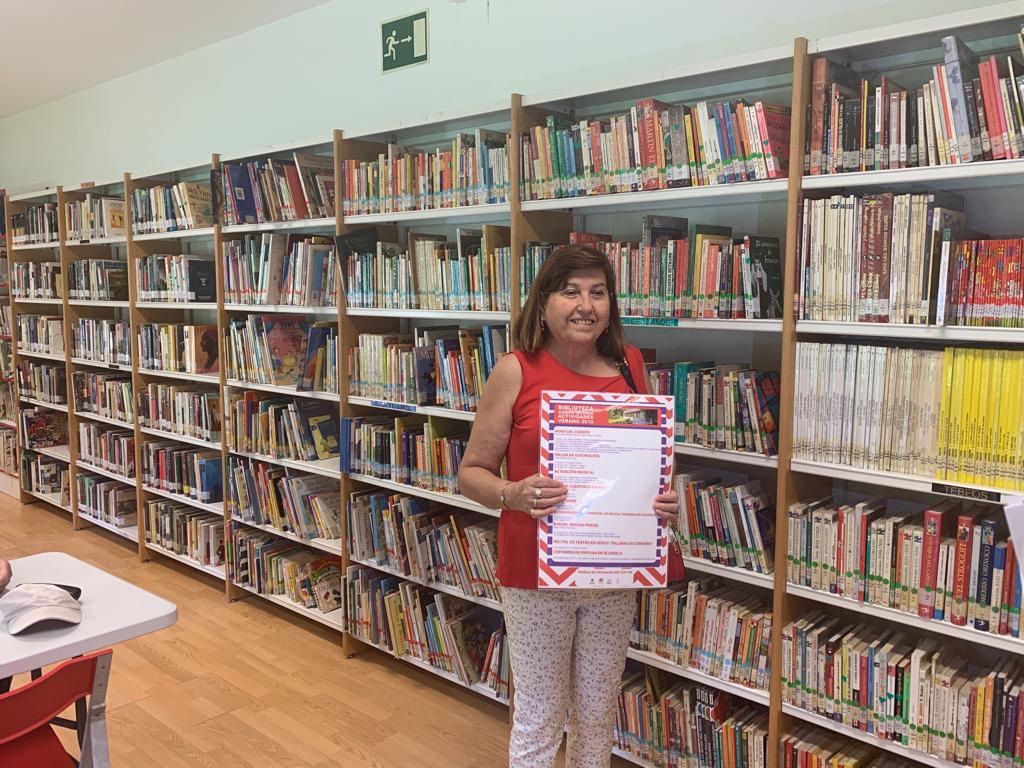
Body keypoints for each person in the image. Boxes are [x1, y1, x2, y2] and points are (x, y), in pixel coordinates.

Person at [457, 245, 678, 768]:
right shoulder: (515, 370)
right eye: (570, 291)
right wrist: (512, 494)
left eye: (598, 292)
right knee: (539, 716)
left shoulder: (630, 365)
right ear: (543, 304)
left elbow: (646, 457)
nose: (586, 305)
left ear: (610, 305)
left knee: (597, 714)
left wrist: (660, 497)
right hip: (538, 575)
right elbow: (471, 472)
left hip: (613, 572)